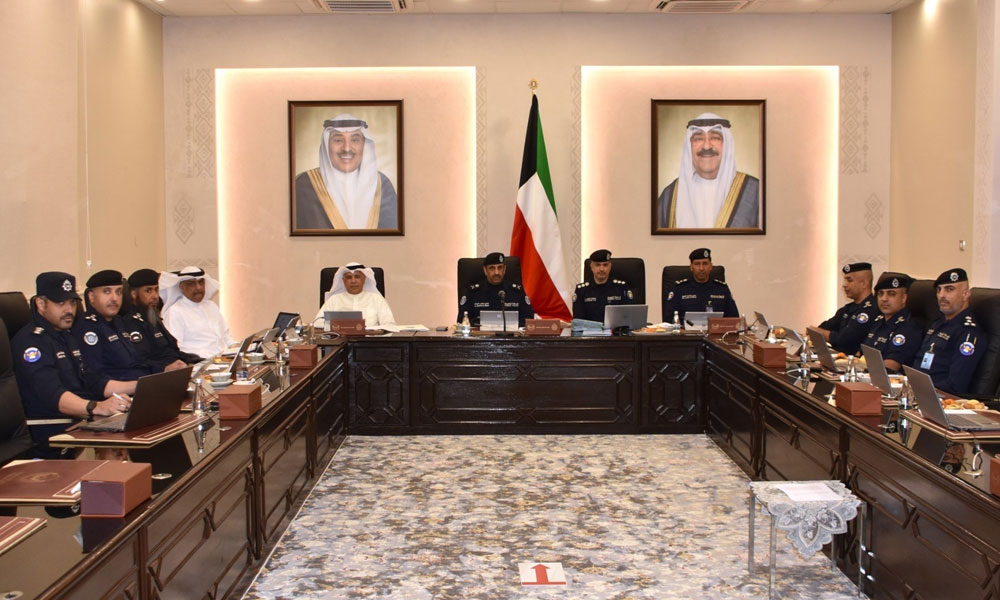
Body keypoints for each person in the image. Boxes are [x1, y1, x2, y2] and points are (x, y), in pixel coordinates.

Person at [11, 272, 134, 456]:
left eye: (72, 302)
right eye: (61, 303)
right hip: (51, 434)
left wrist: (136, 388)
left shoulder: (66, 335)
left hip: (80, 424)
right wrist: (96, 407)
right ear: (41, 304)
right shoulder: (31, 343)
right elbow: (52, 395)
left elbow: (91, 381)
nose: (69, 310)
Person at [294, 114, 398, 230]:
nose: (347, 148)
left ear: (364, 145)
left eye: (355, 140)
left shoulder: (383, 185)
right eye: (338, 140)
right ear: (327, 145)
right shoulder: (303, 185)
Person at [656, 113, 760, 229]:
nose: (706, 146)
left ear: (727, 145)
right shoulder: (669, 196)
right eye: (698, 139)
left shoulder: (756, 192)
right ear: (689, 146)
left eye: (715, 138)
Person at [73, 270, 159, 384]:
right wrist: (140, 384)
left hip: (141, 382)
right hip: (120, 390)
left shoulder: (119, 322)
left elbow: (138, 361)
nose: (114, 298)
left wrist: (163, 370)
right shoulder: (87, 328)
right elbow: (96, 377)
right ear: (92, 296)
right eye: (107, 291)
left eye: (118, 292)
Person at [912, 268, 987, 396]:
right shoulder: (938, 323)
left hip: (938, 397)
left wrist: (921, 390)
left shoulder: (968, 333)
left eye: (949, 289)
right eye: (939, 290)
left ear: (965, 294)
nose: (942, 295)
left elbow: (954, 385)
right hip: (916, 390)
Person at [122, 268, 201, 368]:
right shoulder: (130, 323)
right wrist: (165, 368)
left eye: (156, 290)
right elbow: (140, 361)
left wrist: (194, 361)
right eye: (148, 291)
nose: (155, 296)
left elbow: (172, 351)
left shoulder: (154, 319)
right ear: (134, 294)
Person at [160, 267, 235, 359]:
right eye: (192, 284)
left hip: (224, 358)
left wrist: (237, 348)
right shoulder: (175, 312)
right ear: (182, 287)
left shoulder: (211, 306)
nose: (198, 288)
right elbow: (176, 348)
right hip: (200, 362)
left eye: (201, 282)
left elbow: (226, 336)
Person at [814, 262, 878, 356]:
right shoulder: (848, 309)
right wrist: (817, 331)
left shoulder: (871, 310)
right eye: (845, 280)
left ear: (864, 284)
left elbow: (845, 339)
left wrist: (818, 332)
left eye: (849, 280)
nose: (844, 285)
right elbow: (824, 327)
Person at [862, 274, 923, 372]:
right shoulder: (878, 321)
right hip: (868, 374)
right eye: (880, 294)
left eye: (891, 294)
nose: (884, 299)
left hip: (887, 378)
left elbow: (890, 367)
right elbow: (863, 355)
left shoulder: (908, 327)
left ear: (904, 298)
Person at [458, 252, 534, 327]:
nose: (496, 272)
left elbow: (529, 319)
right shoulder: (472, 292)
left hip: (511, 334)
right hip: (480, 334)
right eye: (492, 268)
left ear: (504, 269)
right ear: (485, 270)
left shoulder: (516, 291)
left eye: (500, 267)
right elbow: (462, 320)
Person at [663, 248, 738, 322]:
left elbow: (734, 319)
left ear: (711, 266)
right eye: (697, 264)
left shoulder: (722, 289)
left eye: (705, 264)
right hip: (685, 330)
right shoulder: (679, 289)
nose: (701, 268)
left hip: (716, 330)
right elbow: (668, 320)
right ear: (691, 267)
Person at [313, 263, 395, 328]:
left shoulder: (377, 299)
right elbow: (317, 324)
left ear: (364, 279)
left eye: (357, 277)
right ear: (343, 280)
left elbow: (389, 325)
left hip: (370, 342)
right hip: (340, 342)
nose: (353, 281)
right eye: (349, 277)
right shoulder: (334, 300)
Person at [572, 249, 634, 321]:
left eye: (605, 265)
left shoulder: (621, 288)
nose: (601, 269)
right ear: (591, 267)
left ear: (610, 266)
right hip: (590, 328)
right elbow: (579, 321)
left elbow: (629, 317)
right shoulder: (581, 290)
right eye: (597, 265)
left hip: (616, 328)